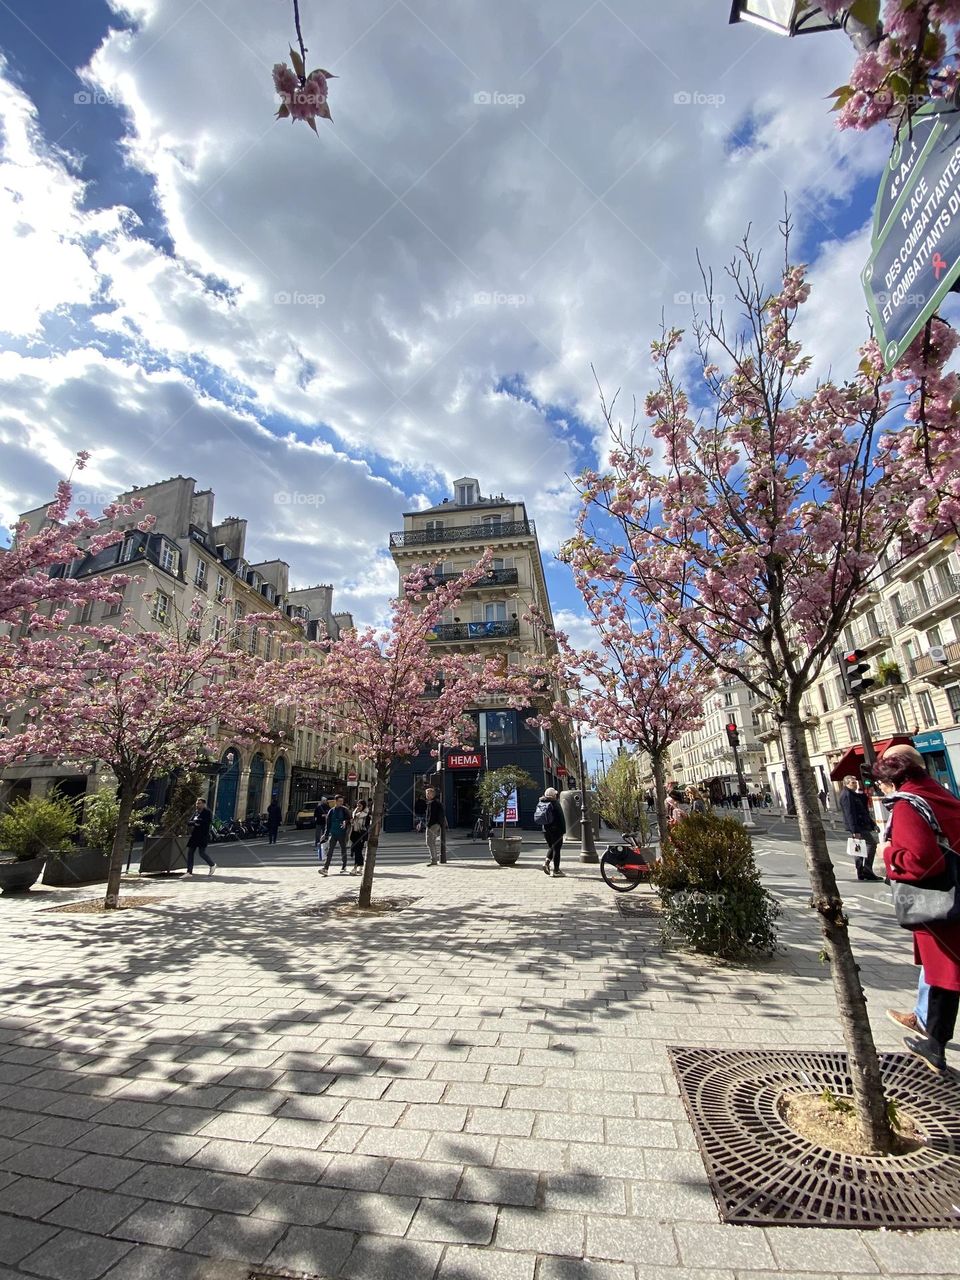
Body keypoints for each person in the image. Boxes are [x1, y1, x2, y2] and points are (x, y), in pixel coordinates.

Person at [876, 743, 960, 1074]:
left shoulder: (910, 804)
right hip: (954, 898)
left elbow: (922, 862)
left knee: (945, 973)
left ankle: (934, 1045)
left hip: (942, 904)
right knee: (943, 974)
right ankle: (929, 1032)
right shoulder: (940, 794)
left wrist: (887, 853)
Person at [838, 775, 881, 881]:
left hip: (861, 825)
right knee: (869, 845)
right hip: (858, 827)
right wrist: (854, 830)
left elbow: (863, 809)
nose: (855, 784)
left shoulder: (853, 794)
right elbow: (850, 814)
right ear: (846, 783)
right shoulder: (847, 795)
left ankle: (862, 872)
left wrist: (872, 824)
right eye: (853, 782)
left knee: (859, 848)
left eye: (855, 782)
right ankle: (865, 870)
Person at [320, 795, 352, 876]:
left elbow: (350, 819)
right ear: (336, 801)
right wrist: (325, 834)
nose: (341, 803)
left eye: (342, 801)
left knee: (343, 850)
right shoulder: (331, 811)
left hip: (342, 834)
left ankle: (344, 866)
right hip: (333, 834)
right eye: (339, 801)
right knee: (330, 851)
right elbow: (328, 824)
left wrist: (346, 822)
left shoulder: (345, 810)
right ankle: (325, 868)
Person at [539, 786, 566, 877]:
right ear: (553, 795)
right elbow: (561, 818)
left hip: (545, 830)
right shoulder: (555, 803)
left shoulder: (541, 802)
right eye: (555, 794)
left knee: (552, 847)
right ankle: (556, 870)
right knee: (557, 850)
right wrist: (563, 831)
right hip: (556, 830)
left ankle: (546, 863)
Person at [186, 798, 215, 876]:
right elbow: (189, 822)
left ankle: (212, 864)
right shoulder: (196, 813)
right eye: (197, 803)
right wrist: (195, 823)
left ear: (204, 804)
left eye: (199, 803)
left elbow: (206, 822)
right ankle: (189, 871)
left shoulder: (207, 812)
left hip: (203, 835)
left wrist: (197, 822)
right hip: (195, 835)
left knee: (201, 853)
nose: (197, 805)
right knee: (190, 853)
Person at [424, 787, 446, 866]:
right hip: (436, 824)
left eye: (427, 793)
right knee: (431, 842)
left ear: (431, 794)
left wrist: (428, 825)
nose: (426, 795)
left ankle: (433, 859)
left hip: (433, 824)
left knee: (429, 842)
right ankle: (434, 859)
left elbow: (431, 816)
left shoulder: (433, 803)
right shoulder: (436, 802)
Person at [350, 799, 370, 875]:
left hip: (361, 834)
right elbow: (353, 823)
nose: (358, 807)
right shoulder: (355, 813)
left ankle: (356, 867)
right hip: (354, 833)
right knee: (355, 850)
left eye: (360, 805)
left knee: (358, 851)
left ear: (363, 806)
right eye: (357, 805)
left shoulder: (366, 815)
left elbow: (366, 826)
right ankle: (359, 867)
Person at [313, 796, 330, 867]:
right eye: (324, 801)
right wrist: (321, 815)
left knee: (324, 833)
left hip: (324, 822)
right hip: (319, 822)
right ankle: (318, 844)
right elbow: (315, 814)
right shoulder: (318, 807)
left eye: (325, 801)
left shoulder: (327, 807)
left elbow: (329, 813)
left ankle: (323, 844)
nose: (324, 802)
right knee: (318, 833)